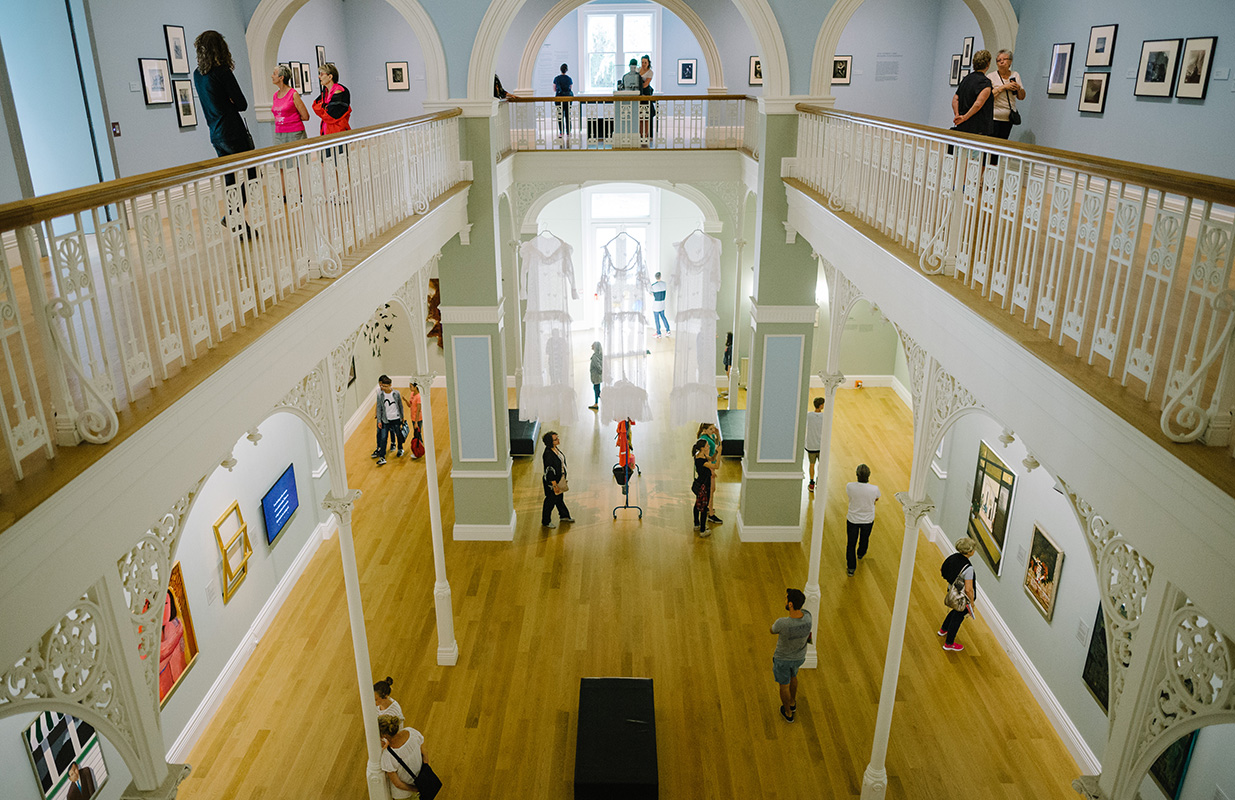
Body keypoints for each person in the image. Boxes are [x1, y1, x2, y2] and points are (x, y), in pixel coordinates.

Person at [193, 31, 253, 157]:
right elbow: (242, 104)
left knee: (229, 174)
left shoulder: (197, 74)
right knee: (251, 173)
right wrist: (229, 101)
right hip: (233, 131)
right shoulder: (222, 71)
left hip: (215, 134)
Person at [770, 588, 812, 723]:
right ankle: (793, 703)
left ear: (790, 604)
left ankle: (788, 712)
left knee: (784, 685)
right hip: (799, 657)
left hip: (782, 660)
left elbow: (772, 630)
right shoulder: (808, 617)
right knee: (794, 676)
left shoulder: (782, 623)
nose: (785, 600)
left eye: (787, 598)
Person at [939, 537, 977, 652]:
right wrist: (971, 603)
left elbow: (942, 569)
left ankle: (943, 629)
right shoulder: (968, 568)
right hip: (962, 597)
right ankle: (949, 643)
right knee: (958, 617)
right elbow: (969, 589)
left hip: (951, 591)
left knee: (955, 611)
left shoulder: (953, 557)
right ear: (970, 552)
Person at [378, 714, 427, 800]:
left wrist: (415, 789)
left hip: (403, 795)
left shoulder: (388, 756)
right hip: (420, 781)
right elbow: (425, 756)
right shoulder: (412, 732)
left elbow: (397, 784)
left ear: (384, 735)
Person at [845, 463, 880, 576]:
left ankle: (851, 568)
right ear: (869, 475)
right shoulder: (874, 489)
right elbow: (877, 498)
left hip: (853, 519)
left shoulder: (850, 486)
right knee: (864, 538)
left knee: (851, 543)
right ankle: (861, 553)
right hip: (868, 519)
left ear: (857, 475)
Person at [952, 50, 993, 136]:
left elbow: (955, 99)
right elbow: (978, 104)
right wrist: (964, 117)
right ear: (988, 64)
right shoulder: (985, 83)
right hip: (978, 127)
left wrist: (957, 115)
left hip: (962, 126)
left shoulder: (966, 79)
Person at [988, 49, 1025, 140]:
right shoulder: (991, 76)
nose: (1001, 62)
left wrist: (1018, 88)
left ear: (1010, 62)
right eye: (999, 60)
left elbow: (1021, 97)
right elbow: (988, 96)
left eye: (1004, 59)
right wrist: (1004, 87)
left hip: (1008, 117)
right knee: (991, 144)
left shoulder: (1015, 75)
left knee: (1002, 143)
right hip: (994, 116)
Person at [159, 589, 188, 699]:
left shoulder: (176, 626)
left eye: (165, 604)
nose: (162, 610)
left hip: (180, 683)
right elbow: (162, 654)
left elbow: (181, 662)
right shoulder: (149, 640)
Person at [542, 430, 573, 528]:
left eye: (557, 437)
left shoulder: (555, 449)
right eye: (555, 439)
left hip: (560, 479)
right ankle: (546, 522)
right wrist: (554, 485)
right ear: (550, 442)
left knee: (559, 499)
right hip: (552, 482)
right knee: (550, 502)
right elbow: (550, 472)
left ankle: (564, 516)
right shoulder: (548, 454)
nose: (558, 440)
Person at [271, 64, 309, 144]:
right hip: (279, 134)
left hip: (295, 133)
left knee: (297, 156)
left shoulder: (293, 94)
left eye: (274, 74)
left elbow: (305, 116)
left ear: (281, 78)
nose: (272, 76)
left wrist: (290, 120)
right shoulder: (275, 95)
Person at [373, 375, 406, 466]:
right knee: (383, 438)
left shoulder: (396, 393)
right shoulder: (380, 395)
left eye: (385, 386)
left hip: (396, 418)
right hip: (385, 420)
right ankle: (382, 457)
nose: (383, 388)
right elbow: (379, 408)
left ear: (390, 385)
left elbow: (400, 406)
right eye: (382, 386)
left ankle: (400, 448)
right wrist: (379, 420)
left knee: (398, 434)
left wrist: (402, 417)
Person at [313, 62, 351, 135]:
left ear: (330, 77)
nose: (319, 77)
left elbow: (331, 116)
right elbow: (315, 106)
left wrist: (323, 109)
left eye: (321, 74)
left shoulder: (339, 91)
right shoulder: (325, 91)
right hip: (326, 129)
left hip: (338, 130)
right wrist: (324, 109)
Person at [691, 438, 716, 536]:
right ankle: (702, 530)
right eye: (707, 446)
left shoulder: (700, 455)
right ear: (702, 448)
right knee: (704, 507)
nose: (709, 446)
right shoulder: (701, 460)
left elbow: (712, 459)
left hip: (699, 484)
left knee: (697, 504)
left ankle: (696, 524)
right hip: (704, 486)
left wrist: (717, 452)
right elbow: (716, 465)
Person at [698, 422, 722, 524]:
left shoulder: (710, 436)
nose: (713, 430)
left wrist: (717, 435)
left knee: (712, 489)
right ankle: (711, 514)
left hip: (710, 465)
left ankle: (708, 507)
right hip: (708, 467)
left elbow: (718, 444)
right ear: (705, 430)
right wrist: (711, 471)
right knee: (710, 490)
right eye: (711, 429)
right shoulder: (704, 440)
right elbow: (705, 457)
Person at [804, 396, 825, 492]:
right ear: (821, 406)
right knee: (821, 464)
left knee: (811, 464)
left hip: (811, 445)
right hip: (821, 446)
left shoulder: (809, 415)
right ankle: (819, 481)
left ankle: (811, 482)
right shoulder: (825, 417)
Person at [553, 63, 573, 140]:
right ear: (566, 70)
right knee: (568, 115)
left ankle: (561, 131)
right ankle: (568, 132)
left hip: (559, 98)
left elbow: (554, 89)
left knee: (560, 115)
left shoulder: (556, 78)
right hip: (568, 99)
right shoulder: (569, 79)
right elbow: (570, 88)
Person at [639, 55, 656, 140]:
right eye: (642, 62)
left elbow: (645, 85)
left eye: (645, 62)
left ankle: (645, 135)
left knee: (646, 117)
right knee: (640, 117)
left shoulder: (650, 72)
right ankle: (640, 134)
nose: (643, 64)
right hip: (638, 95)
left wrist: (638, 84)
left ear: (648, 63)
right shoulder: (638, 70)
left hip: (646, 95)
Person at [649, 272, 670, 337]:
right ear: (660, 276)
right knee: (663, 316)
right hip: (662, 303)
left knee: (656, 318)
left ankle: (658, 333)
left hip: (656, 304)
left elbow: (651, 294)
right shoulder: (664, 284)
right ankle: (668, 330)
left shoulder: (653, 286)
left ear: (655, 277)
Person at [407, 381, 423, 452]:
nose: (409, 388)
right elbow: (410, 405)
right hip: (413, 418)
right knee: (416, 434)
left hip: (418, 419)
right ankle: (418, 448)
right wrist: (405, 400)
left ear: (415, 387)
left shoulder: (419, 397)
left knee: (417, 434)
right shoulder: (412, 394)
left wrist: (416, 422)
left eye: (411, 386)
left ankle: (419, 448)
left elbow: (418, 411)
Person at [588, 341, 602, 410]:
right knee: (596, 389)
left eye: (593, 346)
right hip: (598, 377)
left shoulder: (595, 357)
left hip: (596, 377)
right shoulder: (600, 355)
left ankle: (599, 403)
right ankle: (596, 403)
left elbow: (598, 367)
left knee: (597, 391)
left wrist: (600, 371)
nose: (591, 347)